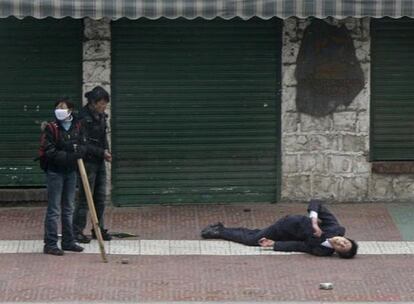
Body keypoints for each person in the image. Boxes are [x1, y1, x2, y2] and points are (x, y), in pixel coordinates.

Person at [201, 200, 358, 258]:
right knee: (252, 240)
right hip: (288, 224)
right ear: (345, 237)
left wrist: (273, 245)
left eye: (342, 247)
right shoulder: (334, 227)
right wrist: (314, 222)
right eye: (345, 241)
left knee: (258, 235)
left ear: (337, 251)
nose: (341, 242)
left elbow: (300, 247)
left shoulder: (322, 251)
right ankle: (219, 231)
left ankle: (222, 228)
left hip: (288, 237)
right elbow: (315, 203)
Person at [42, 98, 86, 256]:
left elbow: (82, 143)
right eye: (58, 107)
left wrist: (81, 151)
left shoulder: (77, 125)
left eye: (63, 107)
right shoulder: (51, 127)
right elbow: (48, 151)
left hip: (71, 172)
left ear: (70, 110)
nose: (60, 110)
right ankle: (51, 243)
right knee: (54, 209)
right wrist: (68, 156)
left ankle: (68, 241)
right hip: (55, 172)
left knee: (68, 208)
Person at [73, 86, 112, 243]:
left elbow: (103, 137)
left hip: (100, 161)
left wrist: (107, 151)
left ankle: (98, 229)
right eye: (102, 103)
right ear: (93, 103)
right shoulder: (82, 119)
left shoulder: (101, 117)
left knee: (100, 197)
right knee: (85, 198)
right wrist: (101, 152)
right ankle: (77, 230)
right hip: (87, 163)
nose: (104, 107)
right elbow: (84, 144)